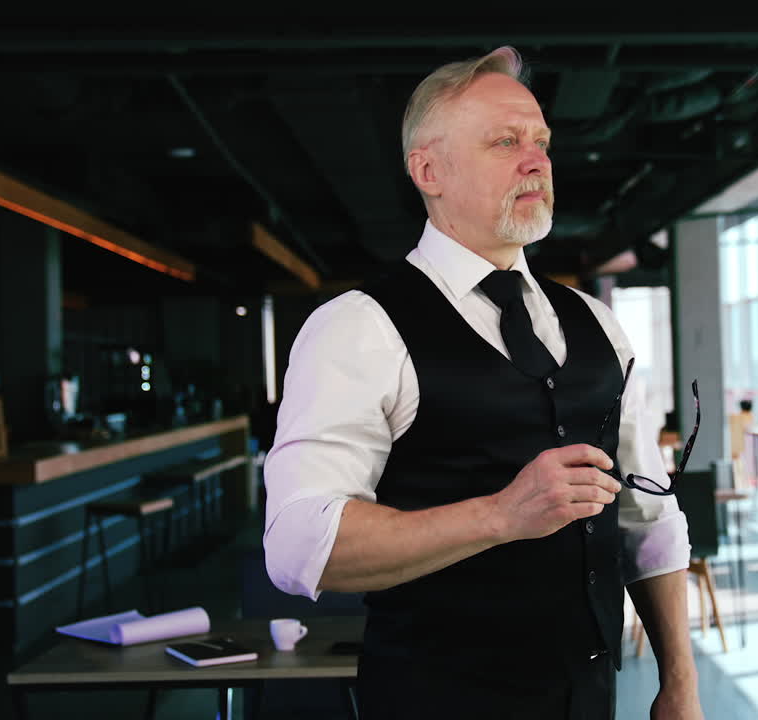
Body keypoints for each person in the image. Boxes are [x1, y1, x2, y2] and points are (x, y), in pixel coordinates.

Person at [263, 46, 703, 720]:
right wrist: (500, 516)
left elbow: (648, 518)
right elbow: (299, 546)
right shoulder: (359, 328)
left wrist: (681, 684)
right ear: (429, 170)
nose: (536, 161)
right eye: (505, 141)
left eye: (541, 142)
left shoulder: (599, 327)